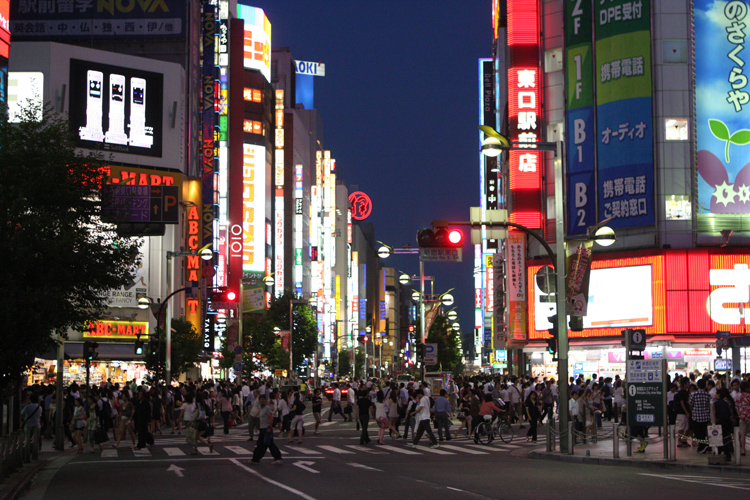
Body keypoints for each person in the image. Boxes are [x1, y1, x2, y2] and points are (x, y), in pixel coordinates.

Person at [250, 395, 283, 464]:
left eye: (263, 399)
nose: (261, 401)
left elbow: (271, 418)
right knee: (262, 445)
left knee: (268, 444)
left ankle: (278, 458)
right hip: (262, 429)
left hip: (266, 429)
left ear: (265, 400)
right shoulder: (261, 409)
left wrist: (269, 427)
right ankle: (256, 459)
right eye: (260, 399)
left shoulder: (267, 408)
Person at [689, 378, 712, 454]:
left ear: (698, 386)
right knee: (704, 432)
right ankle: (703, 445)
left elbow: (690, 404)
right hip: (705, 417)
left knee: (697, 432)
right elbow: (710, 406)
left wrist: (693, 410)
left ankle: (702, 446)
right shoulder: (708, 395)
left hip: (696, 417)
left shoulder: (694, 395)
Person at [714, 388, 736, 460]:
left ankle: (719, 452)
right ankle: (727, 453)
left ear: (719, 395)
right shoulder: (726, 402)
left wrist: (714, 423)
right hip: (727, 422)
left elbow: (714, 414)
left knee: (719, 438)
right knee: (726, 437)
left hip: (719, 422)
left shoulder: (716, 403)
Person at [20, 394, 43, 459]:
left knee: (27, 438)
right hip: (37, 424)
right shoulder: (39, 407)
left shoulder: (27, 407)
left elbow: (22, 413)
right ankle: (35, 452)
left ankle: (27, 452)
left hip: (28, 424)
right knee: (35, 439)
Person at [736, 380, 750, 456]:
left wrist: (740, 414)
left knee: (742, 435)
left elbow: (736, 407)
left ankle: (743, 450)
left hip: (742, 417)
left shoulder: (738, 396)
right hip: (749, 416)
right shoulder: (749, 396)